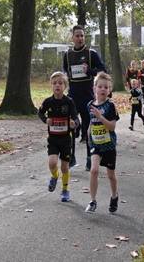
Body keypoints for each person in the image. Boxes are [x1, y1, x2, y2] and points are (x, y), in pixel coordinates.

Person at [63, 25, 106, 171]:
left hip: (87, 97)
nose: (80, 38)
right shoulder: (67, 55)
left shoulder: (91, 53)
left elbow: (102, 70)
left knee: (89, 131)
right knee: (71, 127)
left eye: (82, 36)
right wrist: (66, 75)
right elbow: (64, 69)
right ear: (72, 37)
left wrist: (90, 70)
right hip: (72, 97)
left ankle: (89, 158)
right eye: (77, 36)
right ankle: (71, 157)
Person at [38, 71, 80, 202]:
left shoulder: (69, 102)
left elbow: (75, 118)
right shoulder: (48, 102)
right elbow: (40, 112)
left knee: (64, 167)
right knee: (52, 163)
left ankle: (65, 190)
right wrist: (46, 120)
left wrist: (74, 124)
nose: (57, 86)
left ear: (65, 86)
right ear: (51, 86)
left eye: (60, 83)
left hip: (66, 139)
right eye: (55, 83)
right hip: (53, 139)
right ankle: (55, 176)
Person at [85, 72, 120, 214]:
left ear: (109, 90)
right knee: (94, 170)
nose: (103, 89)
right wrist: (88, 136)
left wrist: (100, 116)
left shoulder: (110, 106)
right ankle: (92, 201)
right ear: (95, 89)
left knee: (110, 175)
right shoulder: (90, 105)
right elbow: (91, 123)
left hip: (109, 144)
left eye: (106, 87)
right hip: (95, 144)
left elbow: (112, 127)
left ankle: (114, 196)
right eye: (100, 86)